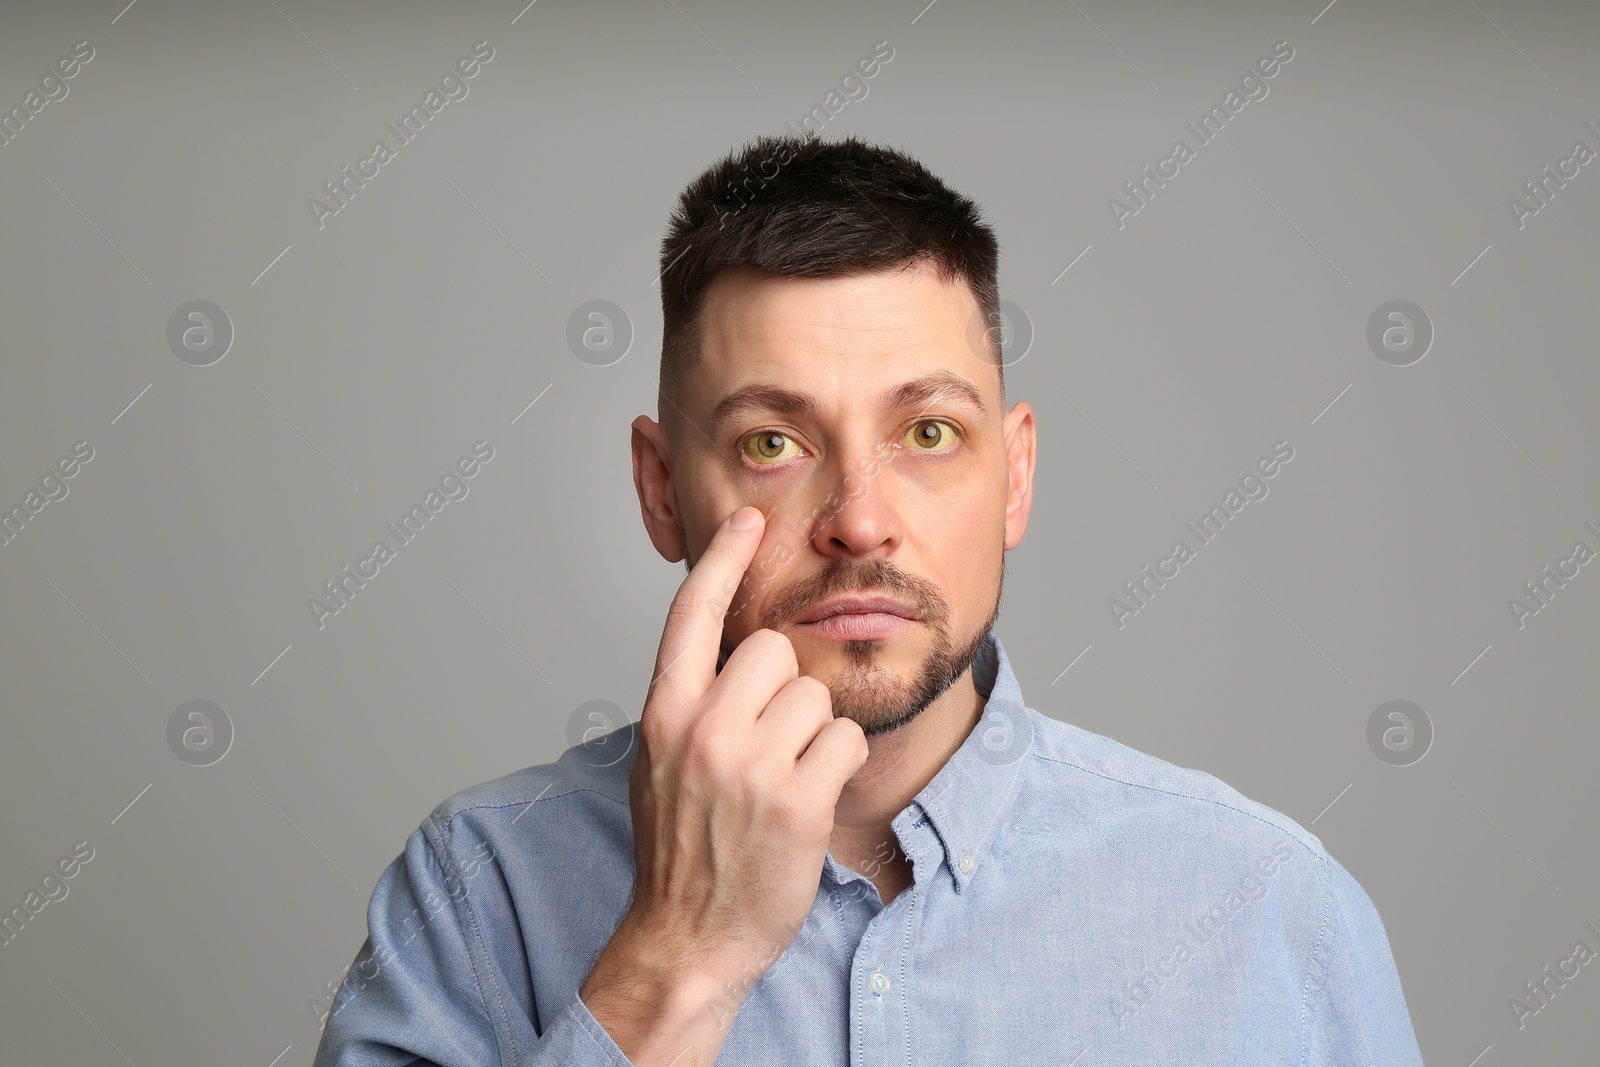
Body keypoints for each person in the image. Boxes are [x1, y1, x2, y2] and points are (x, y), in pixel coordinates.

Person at [312, 133, 1424, 1066]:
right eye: (771, 441)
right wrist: (675, 953)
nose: (858, 516)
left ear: (1015, 477)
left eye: (928, 432)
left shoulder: (1267, 908)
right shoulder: (478, 888)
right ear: (661, 491)